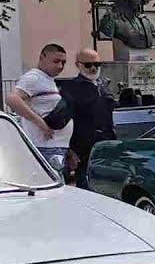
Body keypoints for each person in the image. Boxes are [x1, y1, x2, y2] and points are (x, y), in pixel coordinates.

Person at [4, 43, 73, 168]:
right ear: (42, 57)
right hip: (44, 146)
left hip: (53, 146)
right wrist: (41, 124)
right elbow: (12, 99)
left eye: (63, 62)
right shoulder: (34, 77)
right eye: (56, 61)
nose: (60, 66)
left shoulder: (47, 79)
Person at [60, 49, 116, 188]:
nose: (93, 68)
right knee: (87, 188)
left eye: (97, 64)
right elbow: (63, 121)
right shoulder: (71, 88)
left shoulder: (103, 86)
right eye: (88, 65)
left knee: (108, 187)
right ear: (78, 65)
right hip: (83, 149)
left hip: (106, 145)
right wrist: (69, 150)